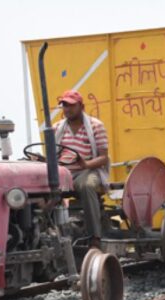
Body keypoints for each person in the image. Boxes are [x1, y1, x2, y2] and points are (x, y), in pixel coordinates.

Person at [53, 89, 110, 248]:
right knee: (42, 189)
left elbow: (103, 157)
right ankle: (51, 233)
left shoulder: (95, 126)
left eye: (71, 105)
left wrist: (85, 164)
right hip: (63, 172)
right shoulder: (56, 128)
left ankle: (95, 237)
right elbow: (53, 155)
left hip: (87, 170)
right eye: (64, 105)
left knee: (87, 185)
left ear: (81, 106)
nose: (67, 109)